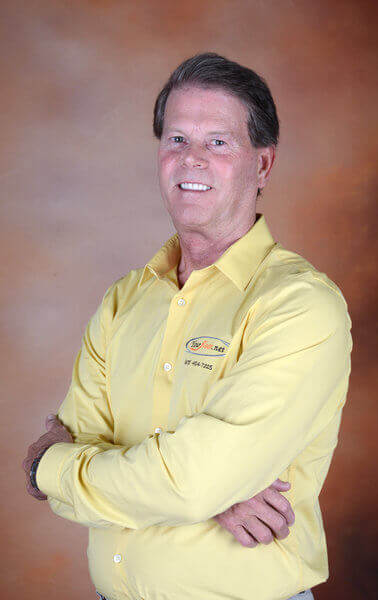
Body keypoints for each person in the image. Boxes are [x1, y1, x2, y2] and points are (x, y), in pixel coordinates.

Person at [22, 52, 352, 600]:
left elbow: (191, 482)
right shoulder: (124, 301)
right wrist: (209, 490)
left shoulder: (299, 305)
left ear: (262, 165)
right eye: (176, 139)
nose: (191, 159)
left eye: (217, 142)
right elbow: (171, 475)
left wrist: (46, 468)